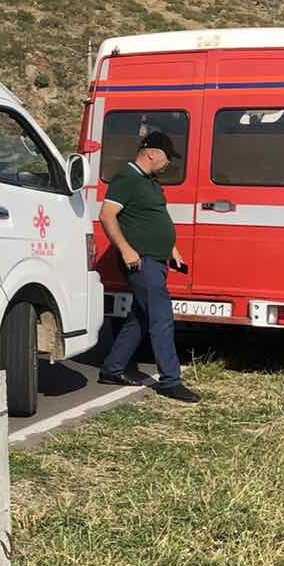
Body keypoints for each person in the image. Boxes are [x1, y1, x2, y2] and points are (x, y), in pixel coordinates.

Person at [96, 130, 199, 403]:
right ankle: (171, 381)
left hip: (157, 259)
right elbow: (107, 215)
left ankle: (112, 369)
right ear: (152, 153)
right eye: (167, 156)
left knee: (141, 316)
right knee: (161, 317)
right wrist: (126, 249)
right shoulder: (126, 178)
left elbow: (156, 217)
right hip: (141, 261)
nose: (169, 162)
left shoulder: (150, 182)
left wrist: (172, 249)